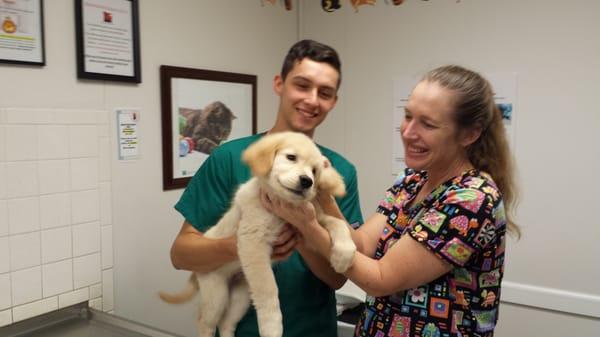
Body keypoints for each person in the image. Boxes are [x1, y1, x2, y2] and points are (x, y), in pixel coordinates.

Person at [263, 65, 520, 337]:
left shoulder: (472, 198)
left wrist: (308, 227)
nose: (408, 132)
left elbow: (380, 279)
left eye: (428, 124)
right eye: (408, 116)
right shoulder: (411, 181)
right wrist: (324, 196)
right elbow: (360, 246)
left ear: (469, 134)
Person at [169, 39, 364, 337]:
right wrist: (237, 247)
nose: (312, 100)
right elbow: (180, 255)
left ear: (334, 101)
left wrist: (303, 233)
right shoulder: (228, 158)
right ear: (279, 84)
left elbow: (338, 278)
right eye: (302, 85)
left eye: (324, 93)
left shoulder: (337, 172)